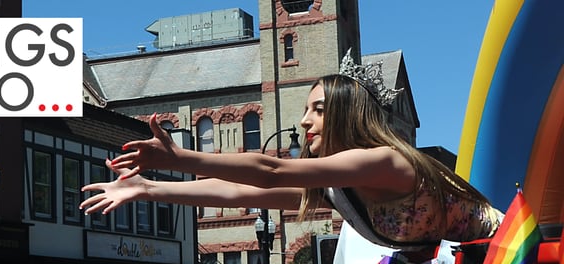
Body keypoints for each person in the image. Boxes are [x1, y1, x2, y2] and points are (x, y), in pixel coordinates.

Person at [81, 53, 502, 250]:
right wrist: (150, 189)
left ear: (346, 116)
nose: (304, 121)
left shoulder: (384, 161)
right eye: (304, 110)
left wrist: (182, 158)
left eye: (317, 110)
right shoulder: (340, 187)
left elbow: (271, 171)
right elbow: (241, 193)